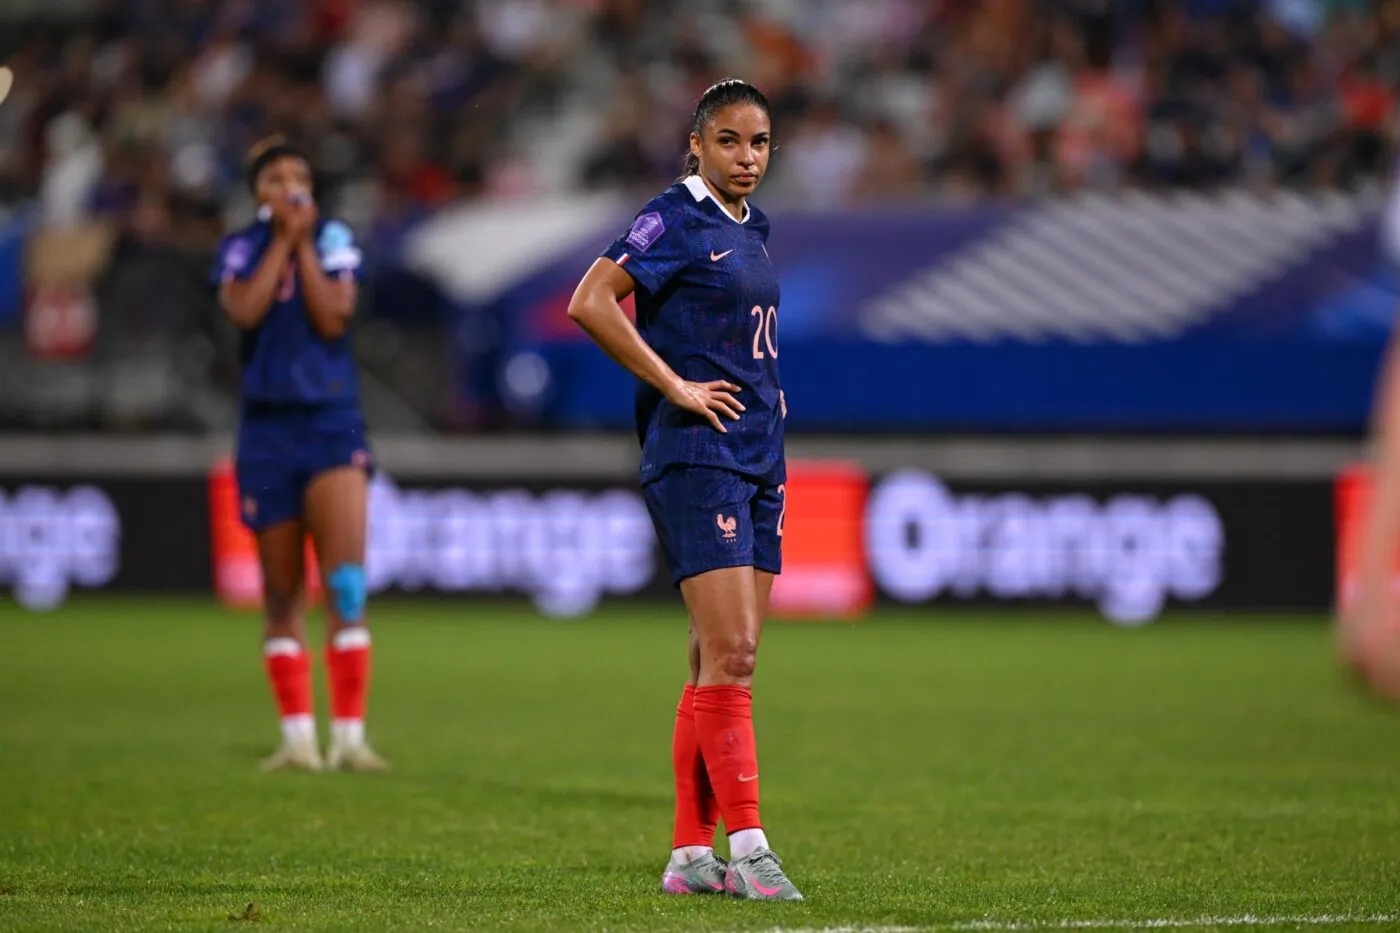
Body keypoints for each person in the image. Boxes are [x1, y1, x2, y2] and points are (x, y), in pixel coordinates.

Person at [566, 79, 801, 901]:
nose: (747, 157)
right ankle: (750, 847)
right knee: (730, 656)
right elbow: (590, 301)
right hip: (698, 456)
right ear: (696, 145)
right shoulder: (673, 217)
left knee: (716, 660)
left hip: (758, 457)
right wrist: (675, 384)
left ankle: (687, 856)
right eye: (731, 141)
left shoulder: (751, 228)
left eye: (760, 143)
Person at [211, 136, 388, 773]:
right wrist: (283, 242)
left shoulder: (335, 238)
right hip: (265, 432)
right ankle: (297, 739)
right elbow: (243, 309)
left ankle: (348, 738)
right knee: (282, 593)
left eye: (299, 174)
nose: (290, 185)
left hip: (329, 424)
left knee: (345, 584)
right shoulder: (241, 247)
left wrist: (304, 242)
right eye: (276, 177)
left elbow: (336, 314)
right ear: (257, 192)